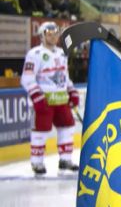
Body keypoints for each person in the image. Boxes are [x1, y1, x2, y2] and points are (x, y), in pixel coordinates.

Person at [21, 22, 79, 175]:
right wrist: (37, 97)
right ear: (42, 35)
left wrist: (72, 91)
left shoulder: (61, 53)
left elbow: (64, 77)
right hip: (44, 101)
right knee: (40, 130)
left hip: (61, 100)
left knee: (67, 127)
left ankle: (65, 159)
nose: (53, 35)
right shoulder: (35, 54)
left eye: (56, 32)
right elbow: (27, 79)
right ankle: (37, 162)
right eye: (49, 33)